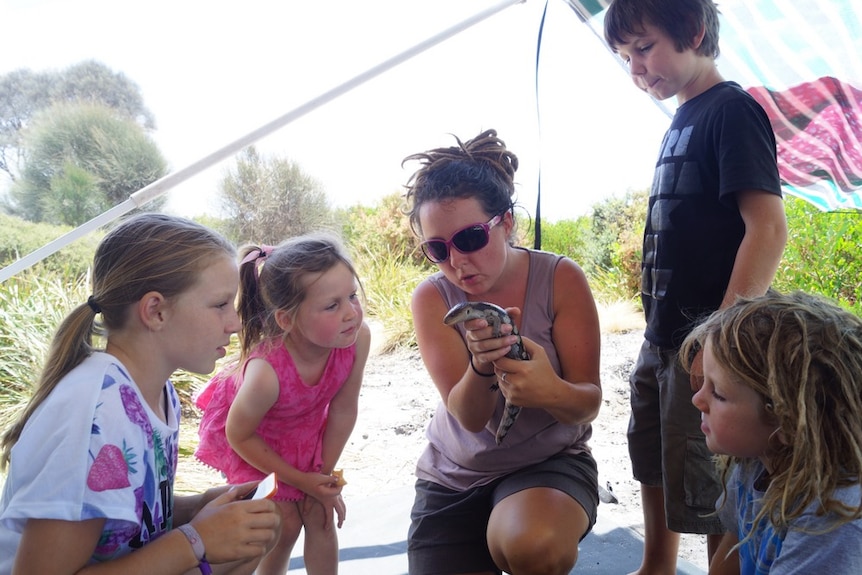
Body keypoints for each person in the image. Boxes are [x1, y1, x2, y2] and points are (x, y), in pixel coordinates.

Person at [603, 1, 789, 572]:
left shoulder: (731, 111)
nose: (636, 68)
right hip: (661, 341)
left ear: (695, 31)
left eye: (644, 48)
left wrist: (718, 343)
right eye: (624, 57)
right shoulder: (682, 116)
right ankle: (656, 565)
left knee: (714, 476)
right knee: (656, 458)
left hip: (706, 342)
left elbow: (768, 228)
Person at [0, 213, 281, 574]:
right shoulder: (97, 415)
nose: (235, 323)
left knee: (252, 537)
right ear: (156, 311)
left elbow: (119, 514)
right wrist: (195, 540)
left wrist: (195, 508)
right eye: (220, 305)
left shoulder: (154, 393)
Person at [403, 128, 602, 575]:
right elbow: (470, 417)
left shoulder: (561, 278)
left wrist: (549, 389)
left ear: (506, 222)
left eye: (471, 238)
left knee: (533, 545)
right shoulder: (432, 298)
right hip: (453, 475)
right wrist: (481, 365)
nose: (457, 261)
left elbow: (588, 402)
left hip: (549, 461)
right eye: (437, 249)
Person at [195, 233, 370, 575]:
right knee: (283, 523)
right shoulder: (266, 373)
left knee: (320, 511)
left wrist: (320, 478)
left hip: (305, 438)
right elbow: (240, 435)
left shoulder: (356, 339)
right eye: (332, 305)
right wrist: (301, 482)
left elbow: (344, 407)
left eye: (351, 296)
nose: (351, 312)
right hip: (258, 446)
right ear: (287, 320)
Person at [680, 290, 862, 574]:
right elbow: (735, 546)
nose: (698, 400)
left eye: (718, 393)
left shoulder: (829, 520)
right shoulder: (755, 460)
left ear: (787, 422)